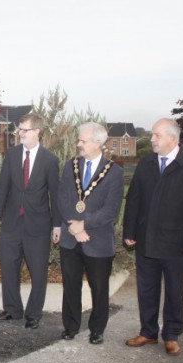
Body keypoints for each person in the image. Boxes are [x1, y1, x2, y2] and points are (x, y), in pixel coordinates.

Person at [123, 118, 183, 356]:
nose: (152, 139)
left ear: (172, 138)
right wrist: (129, 231)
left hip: (176, 244)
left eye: (157, 135)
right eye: (152, 135)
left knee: (174, 292)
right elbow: (134, 199)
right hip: (146, 241)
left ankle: (171, 335)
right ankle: (148, 332)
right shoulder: (147, 163)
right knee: (147, 289)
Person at [0, 113, 61, 329]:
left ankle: (33, 314)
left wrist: (57, 225)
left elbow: (54, 196)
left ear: (37, 131)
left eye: (24, 130)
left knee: (38, 272)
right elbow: (3, 188)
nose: (20, 133)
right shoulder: (11, 155)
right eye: (19, 129)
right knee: (9, 268)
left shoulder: (50, 160)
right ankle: (12, 310)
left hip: (37, 226)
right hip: (12, 223)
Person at [57, 122, 124, 344]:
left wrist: (82, 225)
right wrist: (74, 227)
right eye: (78, 140)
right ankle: (71, 326)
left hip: (97, 240)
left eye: (83, 141)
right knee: (71, 285)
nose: (78, 144)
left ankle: (97, 329)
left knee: (99, 287)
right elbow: (63, 199)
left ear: (98, 143)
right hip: (70, 239)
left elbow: (111, 210)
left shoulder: (114, 172)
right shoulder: (71, 166)